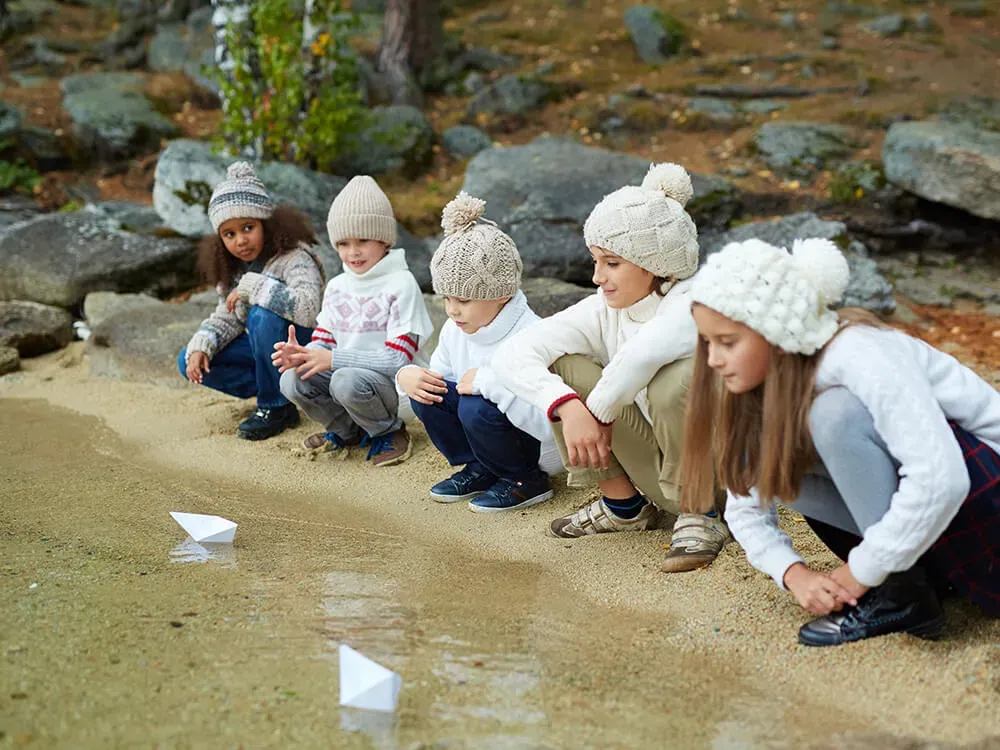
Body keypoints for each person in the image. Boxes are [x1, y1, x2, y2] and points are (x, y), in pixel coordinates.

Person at [683, 236, 1000, 646]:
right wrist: (794, 574)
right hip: (934, 526)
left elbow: (943, 478)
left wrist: (859, 573)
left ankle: (901, 596)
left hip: (987, 502)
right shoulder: (756, 385)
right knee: (780, 463)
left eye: (727, 342)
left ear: (776, 334)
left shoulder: (859, 353)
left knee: (834, 417)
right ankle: (917, 581)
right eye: (707, 342)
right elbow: (745, 501)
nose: (713, 359)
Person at [492, 163, 729, 572]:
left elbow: (644, 354)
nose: (597, 277)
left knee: (674, 380)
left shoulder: (695, 300)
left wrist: (597, 412)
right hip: (657, 474)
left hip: (723, 480)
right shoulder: (605, 309)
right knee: (566, 369)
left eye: (611, 263)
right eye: (596, 261)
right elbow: (511, 355)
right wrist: (568, 407)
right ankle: (624, 507)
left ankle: (701, 515)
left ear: (653, 262)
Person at [397, 192, 563, 512]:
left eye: (464, 300)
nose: (453, 311)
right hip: (489, 435)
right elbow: (442, 384)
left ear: (501, 295)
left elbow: (548, 420)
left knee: (476, 402)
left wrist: (490, 383)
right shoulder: (455, 329)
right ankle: (481, 466)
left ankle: (524, 481)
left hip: (538, 448)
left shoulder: (531, 335)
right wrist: (406, 376)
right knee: (426, 391)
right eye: (447, 299)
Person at [274, 175, 433, 467]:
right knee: (292, 379)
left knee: (345, 379)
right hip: (349, 382)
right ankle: (347, 431)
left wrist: (333, 359)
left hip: (395, 389)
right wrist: (303, 355)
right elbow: (325, 341)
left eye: (363, 240)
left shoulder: (401, 283)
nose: (353, 252)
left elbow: (398, 359)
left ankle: (390, 431)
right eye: (343, 243)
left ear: (384, 239)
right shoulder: (337, 286)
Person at [178, 161, 324, 440]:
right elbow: (229, 316)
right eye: (229, 234)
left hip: (304, 346)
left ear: (265, 225)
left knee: (262, 315)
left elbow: (308, 309)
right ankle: (273, 389)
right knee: (188, 359)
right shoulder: (235, 268)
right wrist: (203, 345)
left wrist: (253, 286)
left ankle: (275, 407)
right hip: (270, 356)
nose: (240, 241)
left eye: (247, 227)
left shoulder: (295, 258)